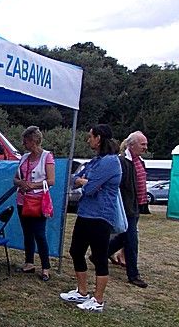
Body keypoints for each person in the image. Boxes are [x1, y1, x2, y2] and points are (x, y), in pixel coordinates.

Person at [60, 124, 121, 312]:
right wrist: (85, 181)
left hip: (101, 216)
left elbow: (89, 188)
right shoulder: (96, 161)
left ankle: (98, 300)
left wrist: (87, 182)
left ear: (99, 138)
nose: (88, 140)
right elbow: (75, 179)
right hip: (85, 213)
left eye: (90, 137)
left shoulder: (110, 162)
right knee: (76, 251)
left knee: (100, 257)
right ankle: (82, 291)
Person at [13, 126, 55, 281]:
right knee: (27, 232)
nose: (24, 144)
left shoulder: (47, 157)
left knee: (39, 234)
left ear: (34, 141)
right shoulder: (24, 158)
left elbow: (51, 180)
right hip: (22, 200)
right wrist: (21, 183)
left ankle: (45, 267)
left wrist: (33, 185)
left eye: (26, 141)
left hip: (38, 201)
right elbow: (15, 178)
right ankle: (29, 262)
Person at [108, 131, 149, 288]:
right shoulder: (122, 162)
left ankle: (100, 254)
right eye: (142, 144)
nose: (145, 147)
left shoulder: (140, 162)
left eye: (146, 144)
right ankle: (133, 275)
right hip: (126, 207)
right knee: (131, 241)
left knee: (125, 237)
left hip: (135, 206)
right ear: (131, 145)